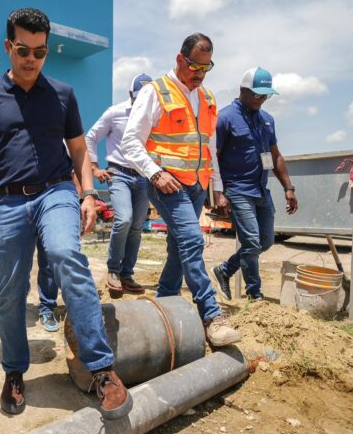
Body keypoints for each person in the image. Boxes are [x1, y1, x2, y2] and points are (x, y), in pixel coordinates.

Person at [0, 8, 132, 420]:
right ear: (8, 48)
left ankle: (102, 369)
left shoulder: (63, 95)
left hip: (56, 192)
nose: (31, 59)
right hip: (10, 201)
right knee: (12, 290)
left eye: (39, 51)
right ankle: (15, 372)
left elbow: (79, 150)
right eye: (22, 50)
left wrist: (88, 194)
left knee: (67, 256)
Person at [121, 32, 242, 347]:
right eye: (194, 67)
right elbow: (130, 142)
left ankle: (164, 302)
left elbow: (210, 147)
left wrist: (217, 188)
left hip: (198, 185)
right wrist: (155, 173)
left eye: (206, 68)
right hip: (167, 184)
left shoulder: (207, 98)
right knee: (191, 240)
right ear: (179, 59)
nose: (199, 74)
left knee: (179, 248)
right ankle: (211, 316)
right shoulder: (156, 92)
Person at [211, 67, 298, 301]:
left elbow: (276, 155)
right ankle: (254, 294)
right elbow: (213, 158)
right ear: (243, 90)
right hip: (237, 190)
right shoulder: (225, 118)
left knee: (266, 241)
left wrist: (288, 187)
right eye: (258, 94)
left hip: (261, 189)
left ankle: (225, 270)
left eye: (266, 95)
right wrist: (217, 193)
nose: (262, 99)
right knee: (251, 241)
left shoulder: (267, 120)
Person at [86, 73, 153, 296]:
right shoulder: (115, 113)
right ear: (130, 95)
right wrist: (95, 168)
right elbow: (91, 137)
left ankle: (126, 274)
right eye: (138, 98)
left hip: (143, 176)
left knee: (137, 225)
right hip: (120, 174)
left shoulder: (154, 116)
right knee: (124, 219)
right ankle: (113, 270)